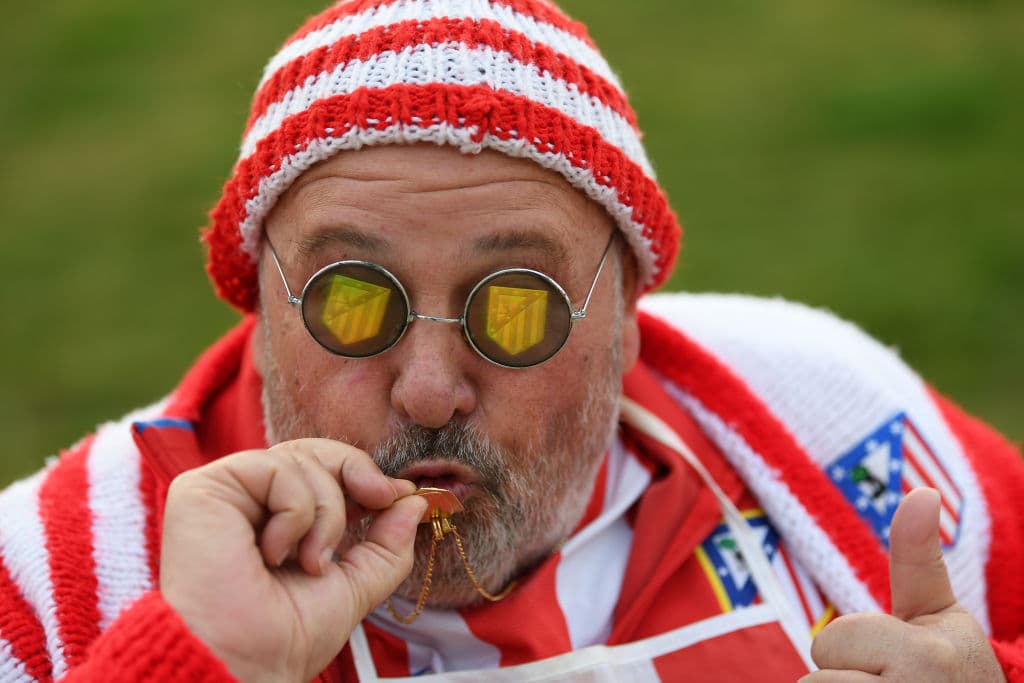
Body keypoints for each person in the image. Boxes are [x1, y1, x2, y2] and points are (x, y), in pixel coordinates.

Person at [0, 1, 1021, 681]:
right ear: (259, 312)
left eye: (515, 302)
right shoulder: (43, 583)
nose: (431, 390)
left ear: (625, 317)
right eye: (353, 299)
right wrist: (193, 657)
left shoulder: (828, 410)